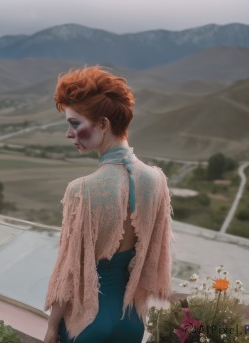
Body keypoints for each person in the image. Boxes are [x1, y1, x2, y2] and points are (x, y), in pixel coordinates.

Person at [43, 66, 173, 343]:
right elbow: (154, 260)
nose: (69, 133)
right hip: (133, 320)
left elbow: (68, 272)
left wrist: (52, 329)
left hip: (89, 323)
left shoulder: (83, 190)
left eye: (75, 123)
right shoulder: (157, 180)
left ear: (103, 124)